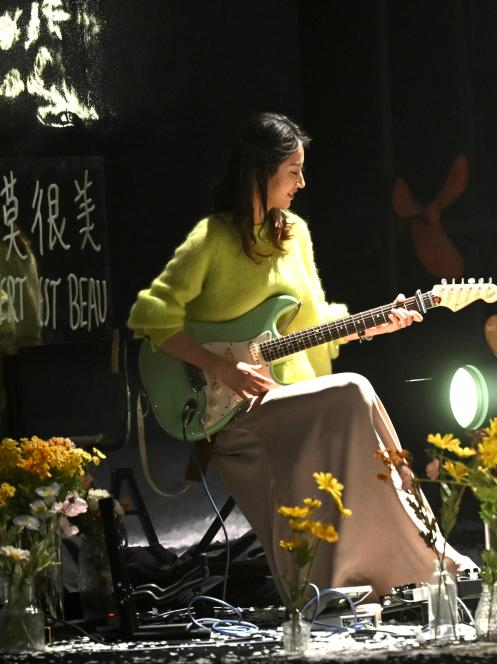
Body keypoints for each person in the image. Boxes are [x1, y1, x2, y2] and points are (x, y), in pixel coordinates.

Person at [127, 112, 474, 602]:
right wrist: (220, 366)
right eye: (293, 171)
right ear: (260, 172)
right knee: (354, 389)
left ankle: (410, 559)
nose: (302, 183)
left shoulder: (295, 232)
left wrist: (374, 321)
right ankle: (395, 563)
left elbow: (313, 322)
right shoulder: (212, 239)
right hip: (232, 411)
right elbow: (151, 319)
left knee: (352, 398)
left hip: (287, 397)